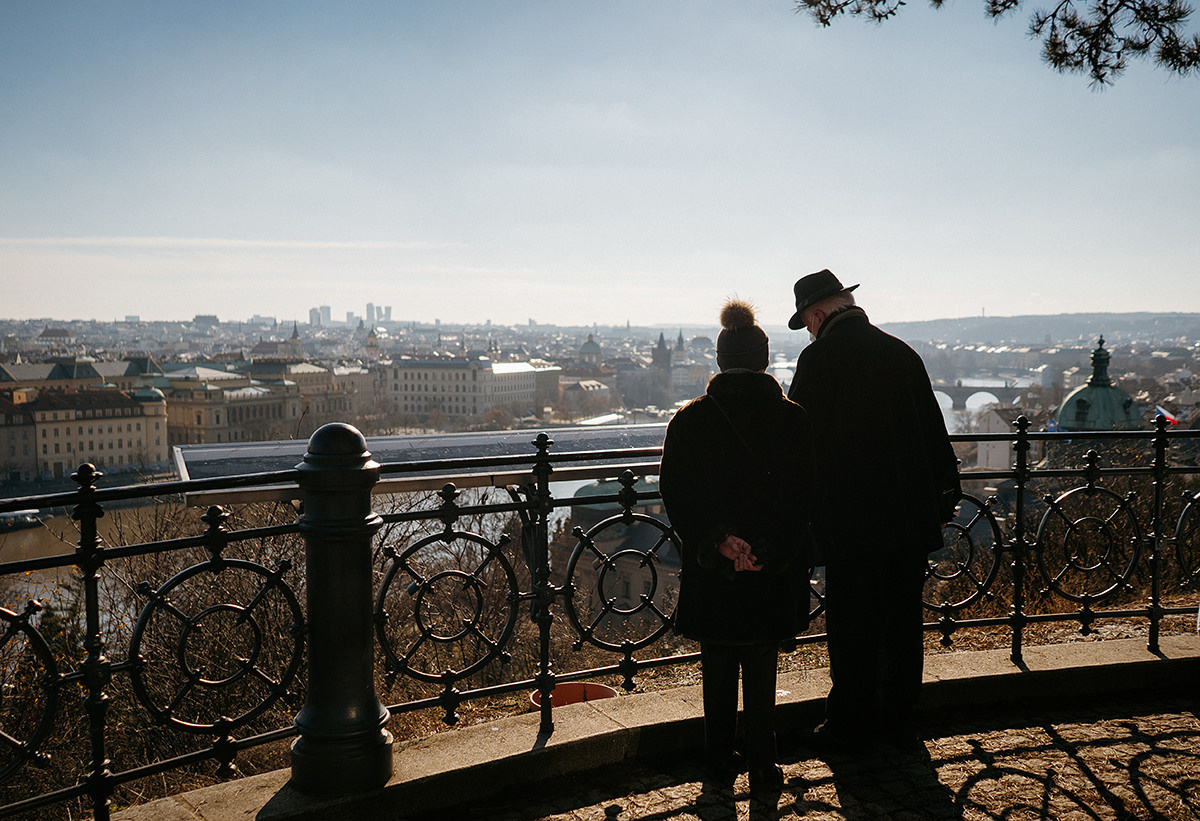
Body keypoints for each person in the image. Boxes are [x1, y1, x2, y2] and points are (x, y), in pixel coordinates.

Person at [785, 269, 961, 752]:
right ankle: (900, 718)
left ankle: (851, 722)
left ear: (818, 315)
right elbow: (934, 436)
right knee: (902, 620)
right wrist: (943, 502)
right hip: (908, 518)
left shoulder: (820, 358)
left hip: (850, 521)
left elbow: (801, 442)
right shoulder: (901, 352)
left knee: (852, 623)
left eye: (809, 323)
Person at [659, 298, 814, 792]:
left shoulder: (689, 420)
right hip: (771, 572)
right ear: (765, 360)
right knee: (763, 665)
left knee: (718, 668)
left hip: (714, 575)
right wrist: (766, 550)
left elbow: (675, 495)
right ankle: (764, 765)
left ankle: (718, 764)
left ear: (720, 361)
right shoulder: (794, 420)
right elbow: (806, 497)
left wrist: (719, 543)